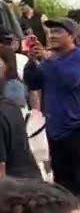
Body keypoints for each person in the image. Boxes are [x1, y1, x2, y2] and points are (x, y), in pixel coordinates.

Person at [24, 17, 80, 195]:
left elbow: (70, 80)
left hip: (76, 130)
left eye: (57, 32)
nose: (52, 36)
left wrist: (48, 60)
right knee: (62, 185)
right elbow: (33, 83)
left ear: (72, 35)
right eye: (50, 32)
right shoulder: (51, 59)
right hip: (55, 131)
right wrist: (32, 62)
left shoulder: (76, 57)